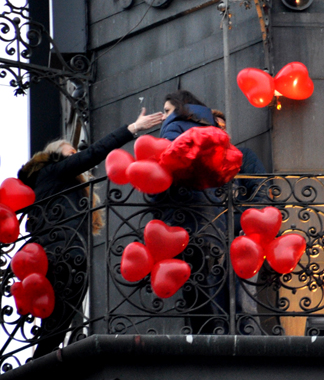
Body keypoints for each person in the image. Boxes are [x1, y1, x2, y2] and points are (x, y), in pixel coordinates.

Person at [17, 108, 164, 356]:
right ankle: (40, 361)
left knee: (57, 323)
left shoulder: (59, 184)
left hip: (63, 252)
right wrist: (132, 129)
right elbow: (93, 154)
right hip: (62, 251)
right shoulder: (53, 169)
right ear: (54, 153)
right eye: (70, 151)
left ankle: (40, 361)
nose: (75, 155)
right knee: (57, 321)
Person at [156, 90, 267, 334]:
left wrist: (239, 222)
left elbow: (261, 194)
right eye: (214, 126)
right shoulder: (198, 156)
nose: (219, 132)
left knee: (243, 301)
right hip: (206, 231)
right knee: (206, 293)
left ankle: (248, 342)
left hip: (240, 235)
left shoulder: (244, 156)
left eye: (221, 127)